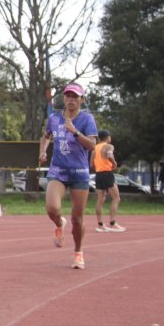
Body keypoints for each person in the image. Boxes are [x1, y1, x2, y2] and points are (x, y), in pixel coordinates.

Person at [38, 82, 97, 269]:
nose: (71, 100)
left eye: (75, 97)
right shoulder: (54, 118)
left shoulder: (87, 119)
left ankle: (78, 252)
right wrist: (43, 151)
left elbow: (92, 145)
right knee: (52, 208)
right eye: (68, 96)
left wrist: (75, 132)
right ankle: (59, 223)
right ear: (63, 98)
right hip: (58, 171)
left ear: (82, 100)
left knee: (77, 219)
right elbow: (46, 136)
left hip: (79, 173)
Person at [91, 130, 125, 233]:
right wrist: (114, 163)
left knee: (100, 200)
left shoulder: (95, 148)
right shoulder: (109, 146)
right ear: (107, 137)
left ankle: (100, 224)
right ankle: (113, 223)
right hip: (107, 173)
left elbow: (91, 164)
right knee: (116, 198)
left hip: (98, 174)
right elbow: (109, 155)